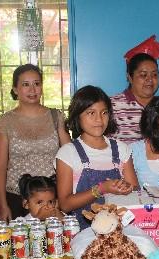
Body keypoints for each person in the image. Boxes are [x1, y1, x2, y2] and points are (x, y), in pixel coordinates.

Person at [0, 64, 71, 221]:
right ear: (15, 89)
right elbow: (0, 166)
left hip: (51, 196)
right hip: (18, 197)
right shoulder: (6, 121)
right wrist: (3, 205)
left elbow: (70, 155)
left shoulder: (56, 117)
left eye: (37, 83)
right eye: (25, 85)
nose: (32, 89)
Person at [56, 85, 138, 229]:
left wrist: (125, 187)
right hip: (82, 231)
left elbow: (135, 190)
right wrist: (101, 189)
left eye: (104, 112)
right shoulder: (67, 153)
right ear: (78, 116)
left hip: (119, 230)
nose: (99, 119)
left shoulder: (121, 149)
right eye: (91, 113)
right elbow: (65, 204)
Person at [110, 53, 159, 144]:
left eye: (155, 75)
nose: (150, 79)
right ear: (129, 77)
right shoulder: (112, 105)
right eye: (143, 75)